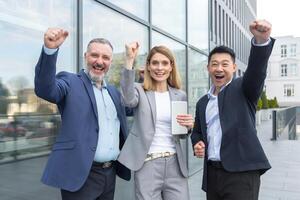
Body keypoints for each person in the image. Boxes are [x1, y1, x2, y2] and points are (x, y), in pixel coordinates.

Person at [34, 28, 130, 200]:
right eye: (95, 55)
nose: (99, 61)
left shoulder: (114, 93)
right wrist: (50, 50)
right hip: (81, 174)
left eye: (106, 57)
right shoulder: (70, 82)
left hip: (109, 173)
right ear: (85, 56)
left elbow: (133, 105)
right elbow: (45, 89)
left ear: (111, 62)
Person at [191, 19, 274, 200]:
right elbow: (196, 132)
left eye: (225, 64)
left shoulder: (244, 89)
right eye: (214, 64)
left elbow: (256, 71)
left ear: (234, 68)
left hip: (241, 174)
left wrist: (261, 42)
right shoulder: (202, 102)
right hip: (212, 175)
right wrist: (197, 143)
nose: (219, 68)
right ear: (208, 68)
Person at [117, 43, 194, 200]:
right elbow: (127, 100)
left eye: (165, 63)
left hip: (175, 165)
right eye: (155, 63)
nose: (160, 68)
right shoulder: (139, 90)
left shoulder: (180, 95)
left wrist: (188, 127)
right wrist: (130, 60)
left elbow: (182, 134)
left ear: (171, 67)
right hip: (148, 164)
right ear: (148, 67)